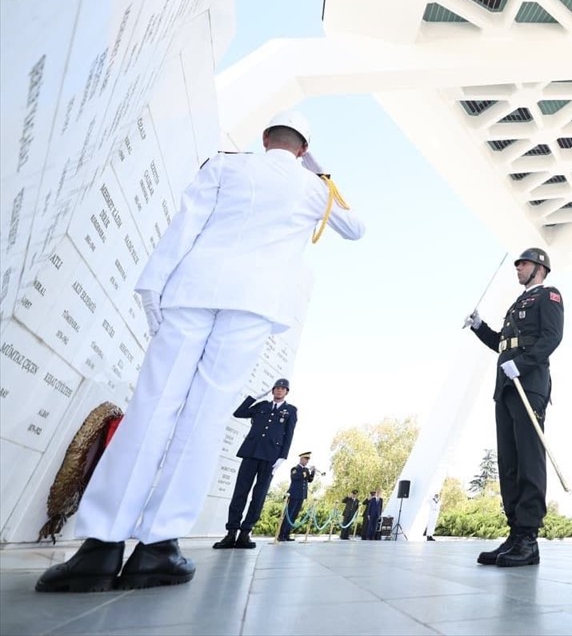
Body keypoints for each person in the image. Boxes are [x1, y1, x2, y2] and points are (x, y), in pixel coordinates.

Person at [35, 110, 365, 593]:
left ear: (264, 137)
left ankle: (99, 551)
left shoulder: (226, 165)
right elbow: (355, 228)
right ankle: (157, 550)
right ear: (300, 149)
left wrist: (154, 294)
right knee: (205, 418)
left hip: (192, 290)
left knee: (151, 409)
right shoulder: (315, 188)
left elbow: (182, 228)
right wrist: (316, 165)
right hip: (252, 307)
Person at [467, 248, 564, 568]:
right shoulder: (516, 304)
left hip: (529, 382)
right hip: (506, 385)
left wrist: (521, 364)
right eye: (518, 264)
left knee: (529, 459)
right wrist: (480, 326)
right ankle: (515, 531)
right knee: (509, 461)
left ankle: (529, 537)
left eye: (522, 264)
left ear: (539, 268)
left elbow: (551, 337)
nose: (518, 269)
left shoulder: (549, 296)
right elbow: (501, 343)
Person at [214, 379, 298, 550]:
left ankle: (245, 532)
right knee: (240, 492)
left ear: (287, 392)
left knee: (258, 495)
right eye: (277, 388)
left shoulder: (290, 410)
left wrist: (282, 457)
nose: (279, 390)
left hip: (270, 457)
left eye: (283, 388)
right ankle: (231, 533)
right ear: (272, 389)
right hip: (251, 453)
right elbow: (239, 413)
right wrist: (252, 398)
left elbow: (289, 434)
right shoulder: (262, 406)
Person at [278, 452, 316, 542]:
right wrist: (305, 472)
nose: (307, 462)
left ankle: (287, 534)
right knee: (288, 515)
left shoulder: (306, 470)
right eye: (306, 459)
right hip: (294, 494)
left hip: (301, 496)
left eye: (308, 460)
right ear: (301, 459)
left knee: (294, 516)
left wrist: (313, 471)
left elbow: (309, 480)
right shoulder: (295, 469)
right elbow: (295, 477)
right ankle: (281, 535)